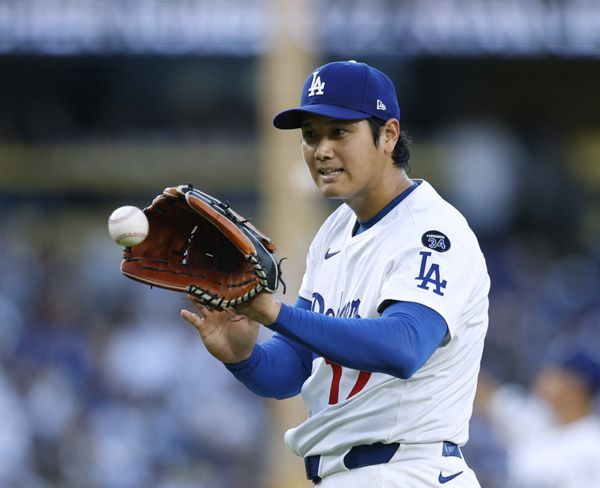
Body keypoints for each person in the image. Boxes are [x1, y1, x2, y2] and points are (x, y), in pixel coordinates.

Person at [181, 60, 490, 487]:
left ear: (389, 134)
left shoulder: (433, 231)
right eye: (311, 135)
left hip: (407, 470)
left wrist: (275, 313)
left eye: (339, 132)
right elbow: (295, 366)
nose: (321, 149)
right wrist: (243, 357)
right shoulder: (334, 231)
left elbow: (405, 347)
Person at [476, 347, 600, 488]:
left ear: (576, 383)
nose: (545, 376)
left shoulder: (592, 444)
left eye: (556, 374)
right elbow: (486, 397)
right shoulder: (534, 418)